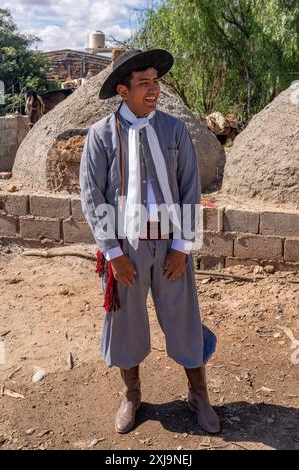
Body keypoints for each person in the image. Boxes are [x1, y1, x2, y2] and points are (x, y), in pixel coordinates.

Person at [79, 49, 220, 434]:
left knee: (184, 319)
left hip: (170, 244)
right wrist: (112, 253)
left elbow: (190, 188)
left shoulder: (174, 131)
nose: (154, 89)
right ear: (123, 90)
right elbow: (93, 198)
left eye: (156, 81)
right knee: (125, 323)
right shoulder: (101, 135)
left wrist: (181, 246)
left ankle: (198, 395)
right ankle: (132, 396)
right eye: (144, 83)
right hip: (126, 248)